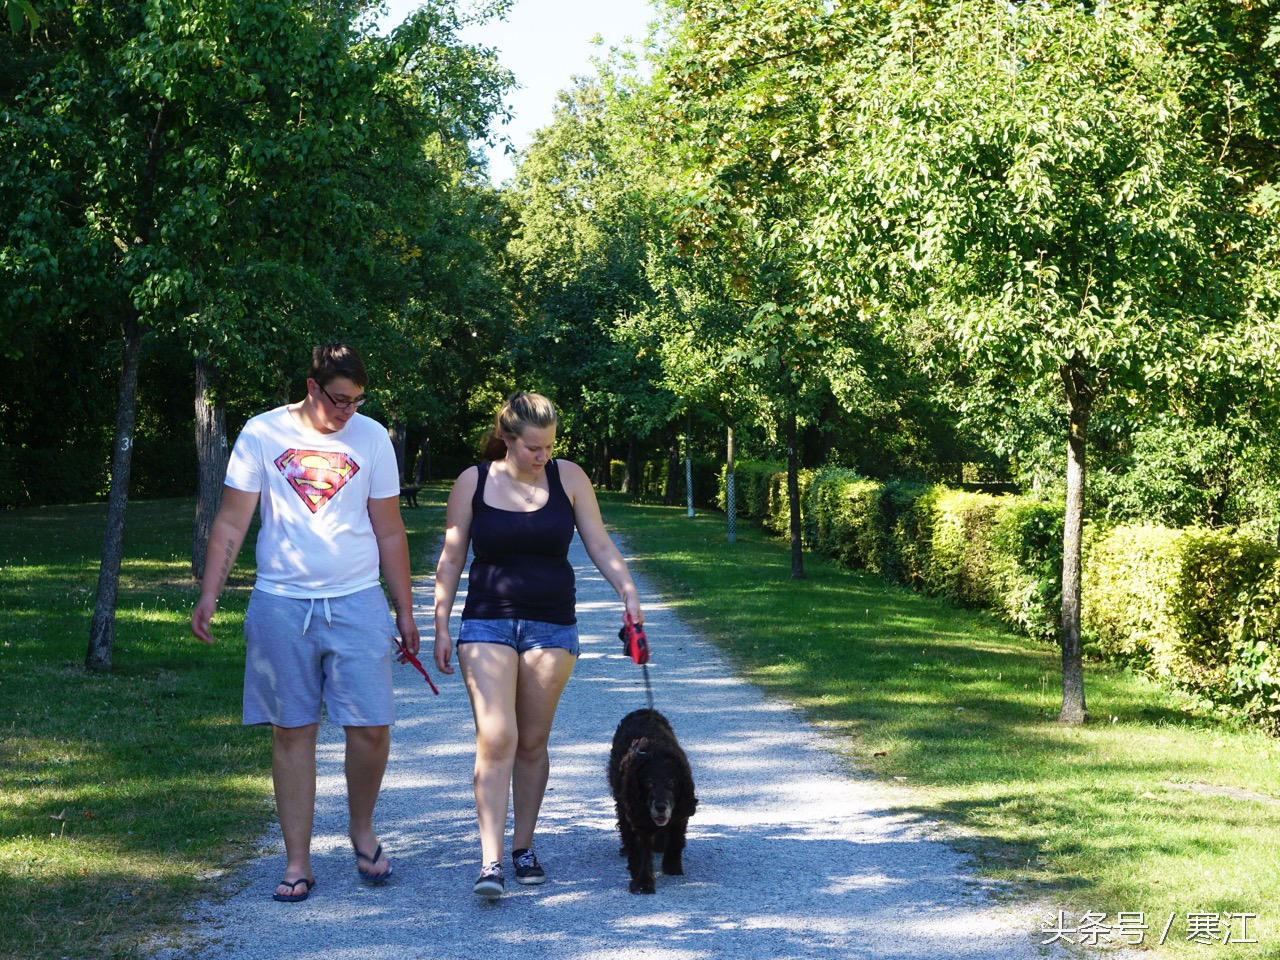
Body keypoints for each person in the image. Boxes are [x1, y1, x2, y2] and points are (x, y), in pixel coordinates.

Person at [191, 343, 419, 903]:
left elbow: (390, 531)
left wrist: (405, 609)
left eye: (357, 401)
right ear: (312, 387)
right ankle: (298, 861)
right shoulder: (262, 433)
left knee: (371, 728)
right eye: (340, 400)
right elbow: (231, 520)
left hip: (358, 600)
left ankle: (362, 832)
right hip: (281, 604)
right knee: (292, 731)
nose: (348, 412)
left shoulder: (371, 438)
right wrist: (210, 593)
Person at [432, 391, 644, 897]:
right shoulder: (473, 481)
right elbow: (452, 555)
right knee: (497, 735)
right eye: (532, 447)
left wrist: (628, 591)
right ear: (507, 438)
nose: (542, 456)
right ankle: (489, 862)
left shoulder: (569, 478)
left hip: (552, 623)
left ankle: (522, 846)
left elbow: (597, 541)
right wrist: (440, 622)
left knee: (531, 741)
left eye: (549, 446)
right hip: (488, 621)